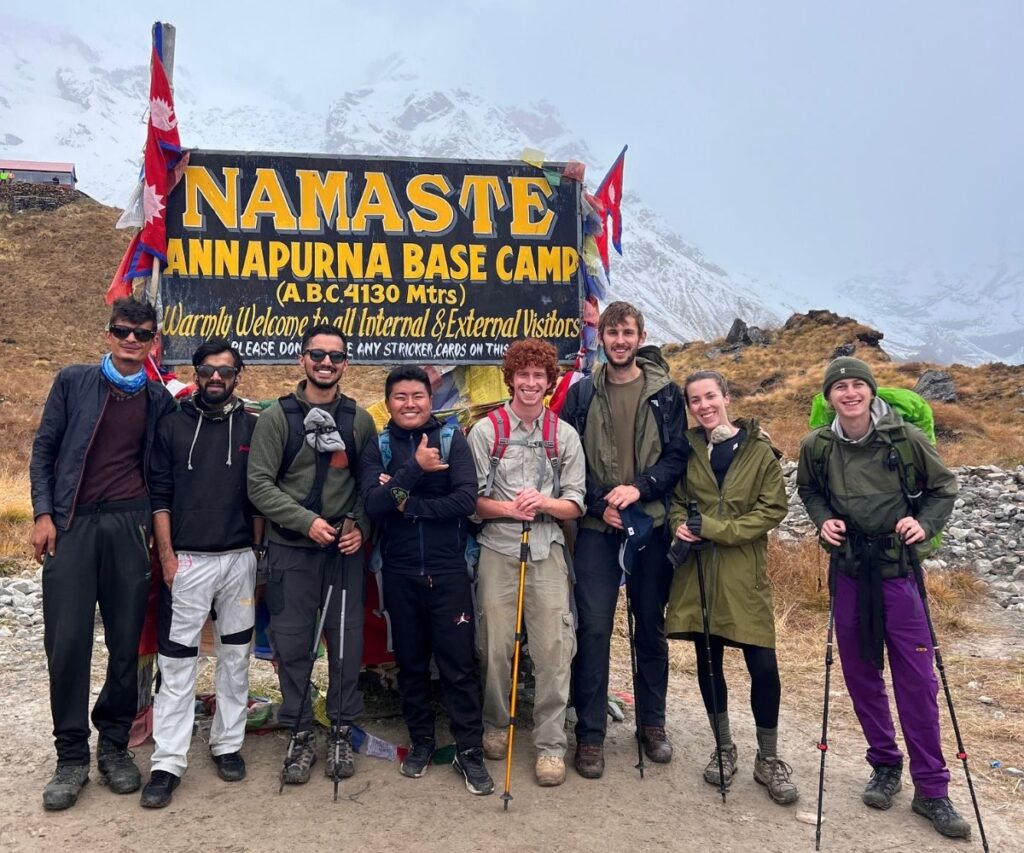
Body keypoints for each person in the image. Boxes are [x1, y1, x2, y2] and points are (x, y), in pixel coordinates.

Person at [797, 356, 969, 839]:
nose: (849, 394)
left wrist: (926, 524)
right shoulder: (818, 444)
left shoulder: (905, 439)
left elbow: (943, 487)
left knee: (917, 680)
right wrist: (822, 519)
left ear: (870, 391)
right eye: (840, 388)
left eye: (857, 386)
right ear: (829, 397)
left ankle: (932, 789)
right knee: (860, 674)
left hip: (898, 572)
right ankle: (885, 764)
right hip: (850, 569)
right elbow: (809, 490)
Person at [29, 297, 177, 811]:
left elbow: (164, 471)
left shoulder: (159, 399)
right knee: (67, 642)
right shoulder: (73, 381)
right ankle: (70, 755)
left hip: (128, 524)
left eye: (141, 333)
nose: (131, 340)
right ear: (108, 335)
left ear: (154, 340)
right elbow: (45, 449)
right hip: (71, 525)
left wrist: (162, 541)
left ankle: (112, 745)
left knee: (124, 643)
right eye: (123, 331)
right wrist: (43, 514)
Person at [559, 301, 688, 778]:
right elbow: (568, 461)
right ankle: (589, 735)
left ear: (640, 336)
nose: (619, 340)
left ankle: (652, 724)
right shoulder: (582, 394)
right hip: (596, 528)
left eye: (627, 332)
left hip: (650, 524)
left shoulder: (666, 393)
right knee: (592, 628)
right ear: (602, 338)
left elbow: (677, 457)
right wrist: (600, 503)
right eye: (612, 332)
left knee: (649, 625)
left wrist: (640, 488)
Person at [247, 324, 373, 786]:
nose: (326, 363)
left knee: (347, 644)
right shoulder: (276, 418)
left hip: (341, 553)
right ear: (302, 359)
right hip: (291, 550)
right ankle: (299, 730)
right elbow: (258, 484)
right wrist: (305, 521)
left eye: (335, 356)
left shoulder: (358, 419)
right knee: (293, 644)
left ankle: (340, 727)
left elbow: (368, 483)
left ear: (345, 363)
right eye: (316, 354)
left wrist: (359, 524)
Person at [665, 370, 798, 804]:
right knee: (709, 661)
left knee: (763, 664)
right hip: (699, 572)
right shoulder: (688, 451)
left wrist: (716, 527)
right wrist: (679, 527)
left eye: (710, 396)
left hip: (743, 572)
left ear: (727, 396)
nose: (704, 406)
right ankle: (723, 748)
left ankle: (769, 758)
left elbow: (771, 509)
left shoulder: (760, 452)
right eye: (695, 400)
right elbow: (677, 503)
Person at [360, 366, 493, 795]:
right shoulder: (377, 446)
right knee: (412, 664)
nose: (410, 403)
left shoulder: (453, 440)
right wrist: (414, 470)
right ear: (389, 402)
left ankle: (469, 751)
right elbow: (374, 504)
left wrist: (406, 501)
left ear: (429, 398)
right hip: (399, 573)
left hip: (450, 569)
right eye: (400, 397)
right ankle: (421, 743)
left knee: (457, 664)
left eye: (418, 395)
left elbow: (465, 500)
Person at [141, 339, 263, 807]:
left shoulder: (254, 425)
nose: (217, 377)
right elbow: (161, 497)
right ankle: (168, 762)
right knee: (177, 663)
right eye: (208, 370)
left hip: (238, 560)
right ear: (196, 372)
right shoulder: (171, 425)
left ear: (237, 376)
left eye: (226, 371)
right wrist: (167, 557)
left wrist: (256, 552)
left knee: (235, 657)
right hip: (187, 560)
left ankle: (227, 743)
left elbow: (259, 494)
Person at [467, 338, 585, 787]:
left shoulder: (564, 435)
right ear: (510, 377)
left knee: (554, 648)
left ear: (549, 381)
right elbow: (471, 502)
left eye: (539, 376)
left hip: (547, 549)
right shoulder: (486, 432)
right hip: (498, 548)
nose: (531, 383)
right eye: (524, 375)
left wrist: (546, 504)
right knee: (494, 644)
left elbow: (576, 503)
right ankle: (496, 723)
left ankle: (551, 744)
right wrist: (507, 510)